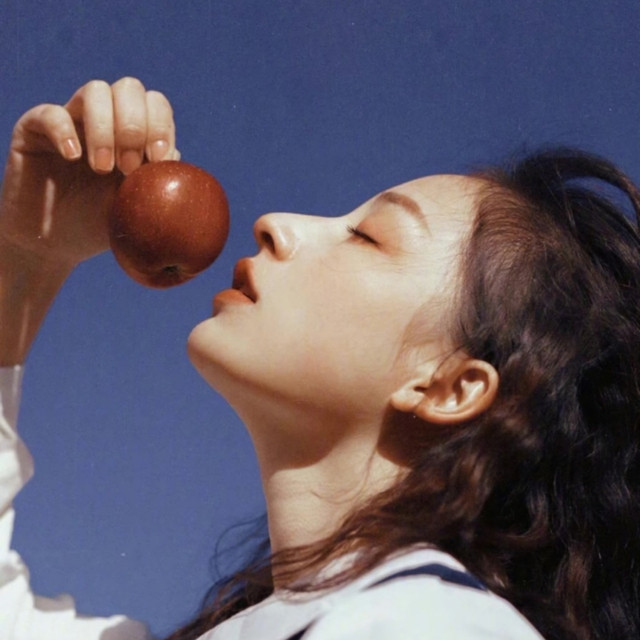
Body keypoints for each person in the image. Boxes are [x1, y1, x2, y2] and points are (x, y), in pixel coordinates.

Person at [0, 78, 638, 640]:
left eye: (367, 237)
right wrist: (29, 256)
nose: (273, 222)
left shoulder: (431, 625)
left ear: (449, 386)